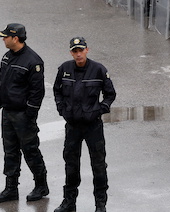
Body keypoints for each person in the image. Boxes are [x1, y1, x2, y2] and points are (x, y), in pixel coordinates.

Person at [52, 37, 116, 212]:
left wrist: (100, 110)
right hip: (72, 126)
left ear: (87, 50)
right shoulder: (64, 69)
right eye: (75, 51)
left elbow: (110, 94)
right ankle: (69, 202)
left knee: (99, 165)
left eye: (81, 50)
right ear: (71, 52)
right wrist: (62, 109)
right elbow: (57, 90)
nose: (78, 54)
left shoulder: (98, 70)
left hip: (92, 126)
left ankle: (100, 204)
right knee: (71, 164)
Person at [0, 24, 48, 203]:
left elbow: (37, 93)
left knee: (30, 150)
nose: (3, 39)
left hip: (23, 115)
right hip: (8, 113)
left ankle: (41, 185)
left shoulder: (33, 61)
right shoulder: (7, 57)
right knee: (10, 152)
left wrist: (29, 115)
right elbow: (1, 84)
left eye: (5, 36)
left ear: (15, 38)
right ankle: (11, 189)